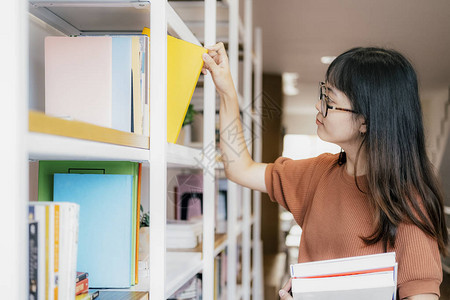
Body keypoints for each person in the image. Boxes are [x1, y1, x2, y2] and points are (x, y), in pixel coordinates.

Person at [202, 43, 448, 299]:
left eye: (330, 100)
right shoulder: (319, 173)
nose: (319, 107)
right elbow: (240, 168)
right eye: (324, 94)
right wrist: (227, 92)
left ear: (365, 121)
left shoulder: (408, 198)